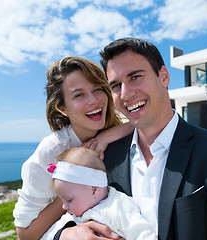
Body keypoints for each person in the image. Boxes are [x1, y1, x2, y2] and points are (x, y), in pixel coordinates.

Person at [56, 38, 207, 240]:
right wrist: (67, 233)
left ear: (164, 76)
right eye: (116, 86)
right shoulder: (105, 158)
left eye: (135, 77)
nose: (126, 93)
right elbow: (66, 212)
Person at [13, 56, 133, 240]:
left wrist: (104, 138)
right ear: (62, 108)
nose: (93, 100)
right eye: (79, 95)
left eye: (97, 89)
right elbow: (25, 234)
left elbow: (144, 122)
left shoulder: (119, 131)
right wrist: (74, 181)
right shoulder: (51, 151)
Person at [49, 147, 157, 240]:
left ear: (94, 190)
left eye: (69, 200)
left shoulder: (118, 206)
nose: (64, 206)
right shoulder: (71, 217)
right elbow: (50, 235)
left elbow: (142, 233)